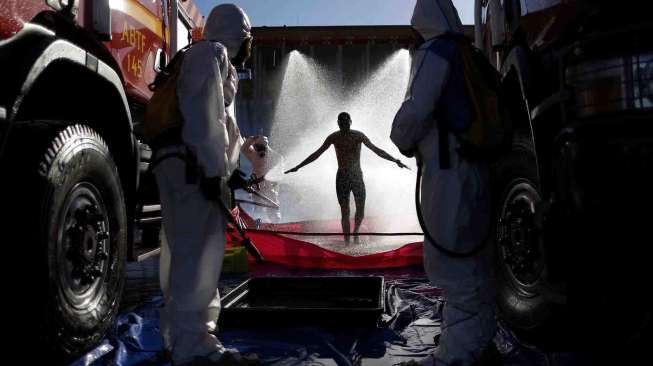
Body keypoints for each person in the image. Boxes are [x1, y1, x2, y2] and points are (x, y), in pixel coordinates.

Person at [390, 1, 497, 365]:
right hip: (476, 170)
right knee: (475, 260)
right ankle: (478, 341)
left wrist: (401, 139)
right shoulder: (469, 53)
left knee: (451, 261)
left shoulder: (435, 52)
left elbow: (415, 110)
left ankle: (457, 357)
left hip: (449, 171)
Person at [152, 4, 258, 366]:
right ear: (238, 36)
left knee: (183, 252)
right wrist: (214, 172)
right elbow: (204, 119)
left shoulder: (204, 57)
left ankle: (180, 338)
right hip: (193, 168)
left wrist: (232, 170)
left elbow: (220, 125)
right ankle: (196, 346)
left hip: (183, 165)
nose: (249, 48)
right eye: (247, 39)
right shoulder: (210, 54)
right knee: (198, 255)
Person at [285, 112, 408, 242]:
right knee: (345, 211)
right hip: (342, 177)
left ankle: (355, 232)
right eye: (341, 122)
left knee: (360, 208)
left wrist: (395, 160)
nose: (343, 124)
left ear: (350, 121)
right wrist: (298, 166)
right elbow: (317, 154)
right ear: (338, 123)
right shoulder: (334, 137)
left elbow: (377, 150)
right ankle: (347, 240)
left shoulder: (358, 135)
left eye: (345, 121)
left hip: (356, 176)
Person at [241, 135, 284, 222]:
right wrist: (251, 140)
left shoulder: (276, 157)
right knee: (258, 207)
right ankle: (259, 224)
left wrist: (274, 183)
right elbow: (243, 149)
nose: (258, 149)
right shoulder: (253, 154)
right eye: (256, 147)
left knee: (272, 205)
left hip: (270, 186)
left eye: (260, 147)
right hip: (256, 186)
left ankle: (276, 223)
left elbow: (279, 174)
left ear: (266, 146)